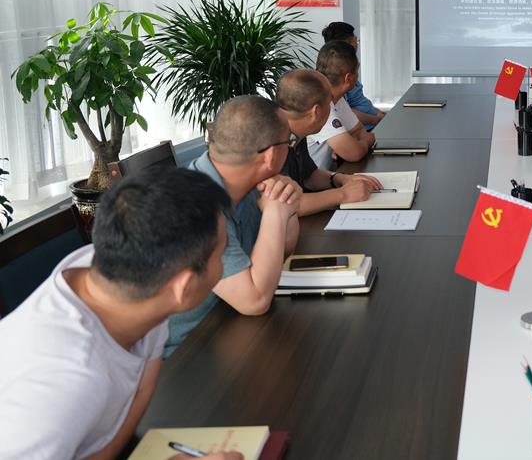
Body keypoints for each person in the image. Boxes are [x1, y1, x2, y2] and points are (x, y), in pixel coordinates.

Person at [0, 169, 241, 460]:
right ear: (184, 286)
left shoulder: (121, 275)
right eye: (221, 255)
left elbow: (139, 393)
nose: (223, 267)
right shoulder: (64, 384)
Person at [166, 95, 302, 356]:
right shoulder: (195, 207)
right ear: (271, 154)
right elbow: (254, 301)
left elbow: (285, 249)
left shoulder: (244, 181)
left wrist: (286, 201)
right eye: (290, 141)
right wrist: (275, 212)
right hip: (181, 359)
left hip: (224, 327)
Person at [276, 68, 383, 215]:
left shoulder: (296, 132)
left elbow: (310, 176)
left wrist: (341, 179)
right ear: (316, 112)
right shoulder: (274, 144)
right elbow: (286, 205)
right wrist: (343, 194)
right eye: (329, 105)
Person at [307, 40, 376, 168]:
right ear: (348, 78)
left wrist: (348, 144)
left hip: (326, 174)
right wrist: (366, 141)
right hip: (311, 180)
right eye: (357, 71)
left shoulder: (337, 99)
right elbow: (354, 153)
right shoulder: (320, 106)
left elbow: (358, 130)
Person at [322, 21, 386, 130]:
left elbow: (359, 101)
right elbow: (346, 112)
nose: (357, 44)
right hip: (366, 128)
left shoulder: (344, 67)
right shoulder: (337, 76)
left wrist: (379, 114)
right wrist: (376, 119)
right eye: (356, 41)